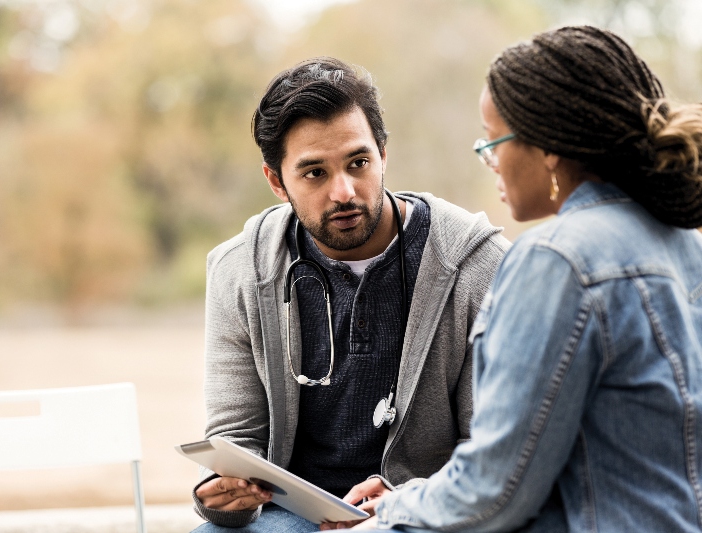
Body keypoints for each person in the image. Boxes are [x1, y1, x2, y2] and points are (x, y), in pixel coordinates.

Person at [349, 25, 702, 532]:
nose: (489, 158)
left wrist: (390, 512)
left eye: (494, 140)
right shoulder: (683, 240)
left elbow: (495, 492)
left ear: (550, 148)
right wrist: (417, 494)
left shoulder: (558, 261)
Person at [190, 57, 510, 531]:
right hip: (292, 514)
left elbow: (491, 449)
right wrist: (218, 494)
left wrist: (406, 501)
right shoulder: (239, 270)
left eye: (358, 163)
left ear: (383, 154)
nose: (344, 191)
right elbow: (235, 439)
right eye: (314, 173)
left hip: (427, 511)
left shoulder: (478, 266)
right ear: (277, 181)